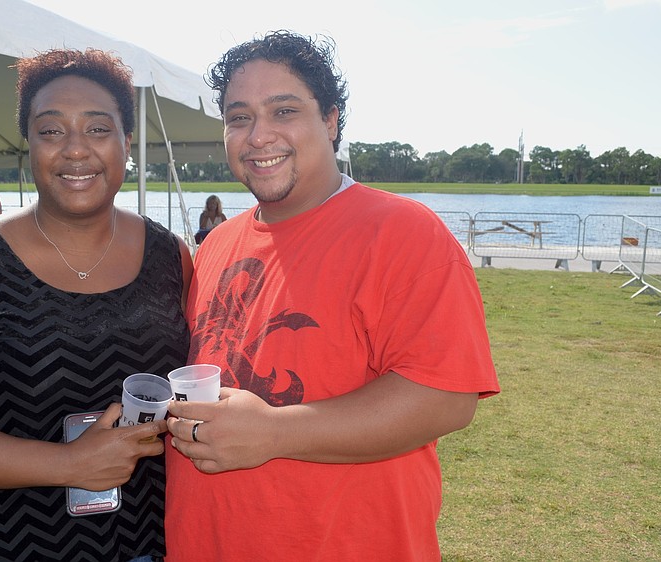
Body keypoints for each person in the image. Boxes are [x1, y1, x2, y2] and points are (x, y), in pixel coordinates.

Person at [165, 31, 500, 561]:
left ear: (331, 120)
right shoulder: (217, 244)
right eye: (239, 117)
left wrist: (274, 432)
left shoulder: (403, 232)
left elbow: (446, 398)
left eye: (284, 111)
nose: (258, 136)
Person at [0, 48, 192, 561]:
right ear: (28, 142)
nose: (76, 150)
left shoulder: (171, 255)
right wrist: (68, 464)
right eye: (51, 131)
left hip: (143, 538)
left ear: (127, 140)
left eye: (98, 129)